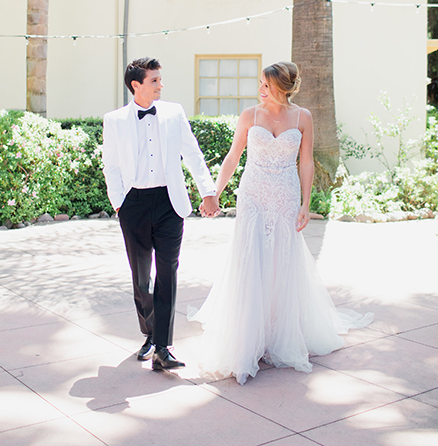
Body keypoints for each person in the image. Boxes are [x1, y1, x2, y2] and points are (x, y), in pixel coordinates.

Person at [190, 61, 373, 385]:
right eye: (259, 82)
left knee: (281, 261)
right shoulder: (250, 115)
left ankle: (278, 334)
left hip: (285, 196)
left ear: (281, 87)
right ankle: (248, 336)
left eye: (265, 84)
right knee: (251, 259)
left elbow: (305, 161)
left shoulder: (303, 117)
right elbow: (233, 156)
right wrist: (213, 193)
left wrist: (305, 203)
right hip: (253, 195)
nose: (260, 89)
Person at [103, 57, 219, 372]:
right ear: (135, 85)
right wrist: (120, 203)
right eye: (154, 80)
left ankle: (163, 347)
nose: (160, 85)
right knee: (142, 280)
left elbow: (192, 153)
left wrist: (207, 191)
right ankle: (150, 334)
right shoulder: (114, 121)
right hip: (134, 204)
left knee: (167, 272)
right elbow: (111, 166)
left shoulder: (174, 112)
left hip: (170, 203)